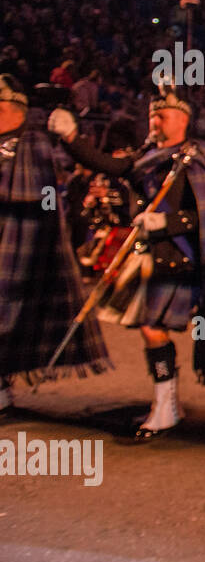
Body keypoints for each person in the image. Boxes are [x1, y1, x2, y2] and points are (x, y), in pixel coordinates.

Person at [47, 81, 205, 439]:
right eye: (152, 115)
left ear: (182, 119)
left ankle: (166, 405)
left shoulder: (197, 157)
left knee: (153, 329)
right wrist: (72, 138)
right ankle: (168, 402)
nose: (155, 121)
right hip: (149, 255)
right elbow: (109, 165)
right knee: (150, 330)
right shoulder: (144, 156)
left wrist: (166, 221)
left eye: (162, 115)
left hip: (182, 258)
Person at [1, 75, 111, 412]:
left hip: (18, 244)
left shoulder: (32, 143)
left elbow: (43, 199)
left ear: (10, 108)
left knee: (6, 313)